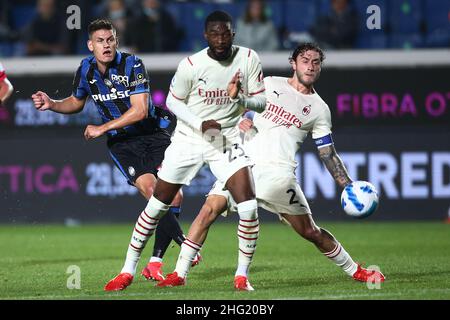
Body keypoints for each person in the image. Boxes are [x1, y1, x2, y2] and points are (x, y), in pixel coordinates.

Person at [158, 43, 386, 290]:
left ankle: (355, 270)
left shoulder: (320, 110)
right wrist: (241, 122)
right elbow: (236, 108)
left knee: (310, 231)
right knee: (208, 210)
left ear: (320, 67)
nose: (310, 66)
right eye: (305, 60)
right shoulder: (269, 83)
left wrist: (348, 185)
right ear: (293, 63)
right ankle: (180, 274)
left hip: (279, 175)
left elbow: (327, 153)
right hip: (244, 162)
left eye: (316, 62)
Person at [31, 19, 200, 290]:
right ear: (90, 45)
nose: (106, 45)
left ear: (116, 42)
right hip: (124, 143)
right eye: (100, 41)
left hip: (154, 134)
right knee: (151, 190)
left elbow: (140, 110)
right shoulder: (85, 69)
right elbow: (76, 101)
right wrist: (52, 104)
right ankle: (183, 245)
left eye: (110, 39)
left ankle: (155, 262)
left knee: (174, 195)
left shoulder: (132, 64)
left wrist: (102, 127)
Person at [104, 10, 267, 291]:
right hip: (189, 138)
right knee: (157, 205)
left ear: (233, 34)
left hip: (224, 140)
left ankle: (241, 276)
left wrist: (238, 98)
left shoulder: (249, 58)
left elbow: (261, 103)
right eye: (214, 33)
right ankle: (127, 269)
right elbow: (173, 102)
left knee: (249, 206)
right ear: (205, 36)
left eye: (225, 33)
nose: (220, 39)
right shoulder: (191, 65)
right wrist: (201, 123)